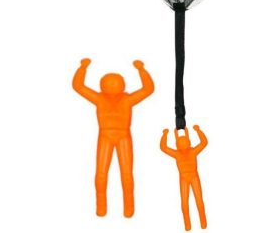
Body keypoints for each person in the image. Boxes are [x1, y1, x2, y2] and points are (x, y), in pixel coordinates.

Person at [72, 57, 154, 217]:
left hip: (118, 136)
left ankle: (114, 207)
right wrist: (141, 69)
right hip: (111, 136)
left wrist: (83, 68)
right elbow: (148, 89)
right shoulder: (116, 99)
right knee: (113, 174)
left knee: (113, 174)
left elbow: (78, 86)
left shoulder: (113, 99)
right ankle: (112, 207)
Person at [160, 125, 208, 230]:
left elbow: (204, 143)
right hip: (185, 178)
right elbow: (204, 143)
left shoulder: (186, 152)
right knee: (187, 202)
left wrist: (165, 134)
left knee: (196, 200)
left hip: (192, 177)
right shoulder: (180, 153)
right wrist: (198, 131)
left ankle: (198, 222)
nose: (183, 145)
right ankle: (191, 224)